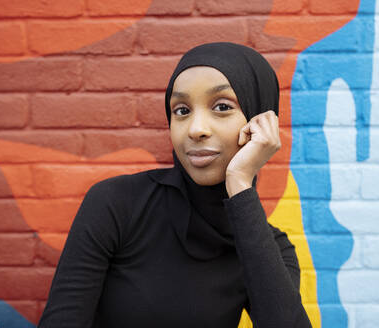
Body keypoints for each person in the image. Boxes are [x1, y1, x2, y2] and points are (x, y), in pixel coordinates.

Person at [38, 42, 312, 328]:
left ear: (259, 123)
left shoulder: (267, 246)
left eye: (222, 107)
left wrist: (240, 183)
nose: (196, 129)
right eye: (181, 110)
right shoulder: (117, 204)